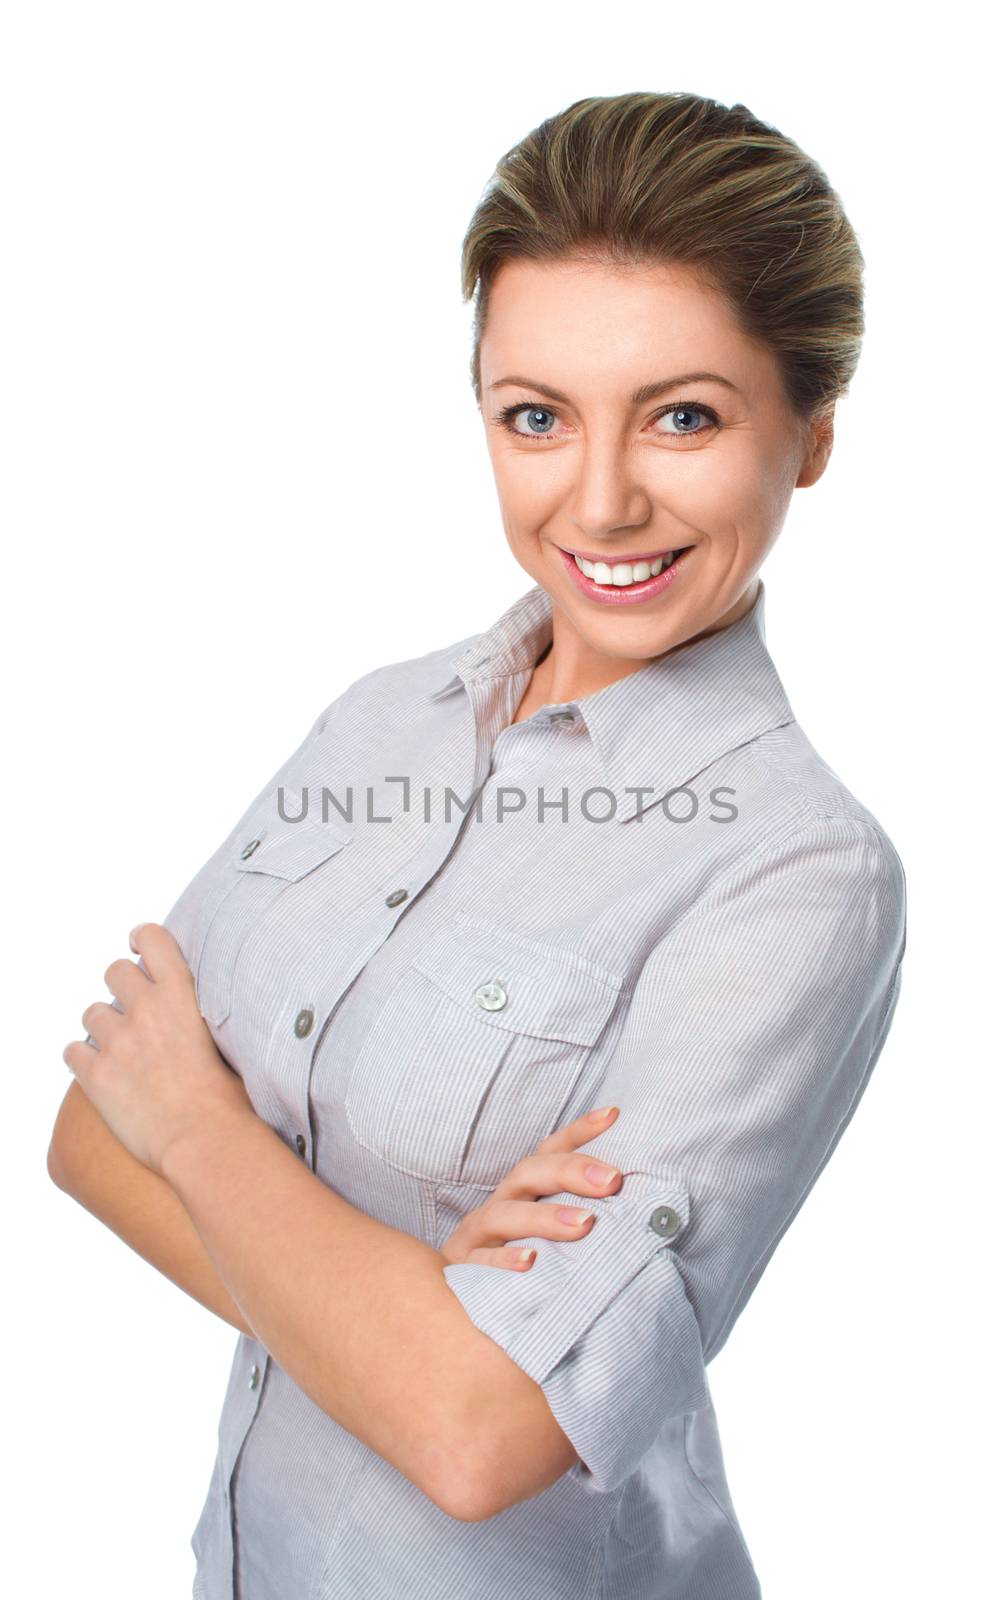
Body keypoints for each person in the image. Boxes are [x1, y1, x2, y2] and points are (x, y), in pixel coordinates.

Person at [49, 89, 907, 1599]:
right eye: (536, 416)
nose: (600, 499)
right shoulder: (381, 723)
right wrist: (421, 1311)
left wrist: (202, 1130)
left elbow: (480, 1431)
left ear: (814, 432)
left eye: (685, 415)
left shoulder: (799, 876)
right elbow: (82, 1133)